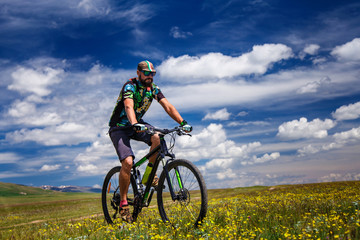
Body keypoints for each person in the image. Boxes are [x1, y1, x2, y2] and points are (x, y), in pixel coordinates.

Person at [108, 60, 192, 223]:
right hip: (119, 127)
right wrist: (134, 123)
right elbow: (128, 106)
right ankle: (124, 204)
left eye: (152, 73)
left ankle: (148, 177)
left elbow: (168, 106)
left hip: (137, 124)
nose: (150, 76)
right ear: (138, 72)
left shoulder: (153, 89)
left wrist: (182, 122)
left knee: (158, 138)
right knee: (128, 161)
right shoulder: (129, 86)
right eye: (147, 73)